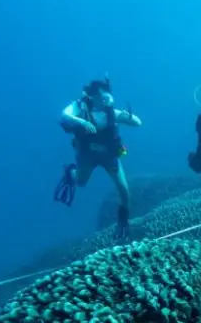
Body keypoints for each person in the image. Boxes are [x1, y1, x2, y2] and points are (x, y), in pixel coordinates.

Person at [54, 77, 142, 239]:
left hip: (109, 155)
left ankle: (123, 221)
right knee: (80, 181)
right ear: (92, 96)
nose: (105, 100)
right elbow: (64, 115)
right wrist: (80, 121)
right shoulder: (79, 109)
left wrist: (125, 115)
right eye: (102, 97)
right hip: (87, 155)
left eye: (107, 96)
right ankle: (70, 172)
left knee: (123, 189)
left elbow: (138, 123)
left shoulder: (112, 113)